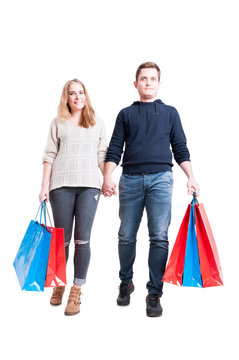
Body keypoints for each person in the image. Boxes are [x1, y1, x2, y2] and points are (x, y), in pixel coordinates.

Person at [102, 62, 199, 317]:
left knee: (159, 236)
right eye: (143, 78)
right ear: (136, 84)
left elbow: (180, 148)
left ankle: (154, 292)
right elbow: (114, 149)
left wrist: (191, 177)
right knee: (126, 235)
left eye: (152, 78)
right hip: (131, 179)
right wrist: (107, 176)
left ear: (158, 83)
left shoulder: (170, 113)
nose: (148, 82)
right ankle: (126, 282)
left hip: (161, 180)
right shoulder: (125, 114)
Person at [39, 79, 107, 316]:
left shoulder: (98, 122)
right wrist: (44, 187)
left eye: (81, 93)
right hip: (61, 186)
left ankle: (76, 291)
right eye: (72, 93)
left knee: (82, 240)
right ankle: (58, 284)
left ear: (86, 96)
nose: (78, 97)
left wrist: (107, 179)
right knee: (61, 240)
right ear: (66, 98)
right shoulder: (57, 123)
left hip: (89, 186)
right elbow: (49, 155)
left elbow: (102, 155)